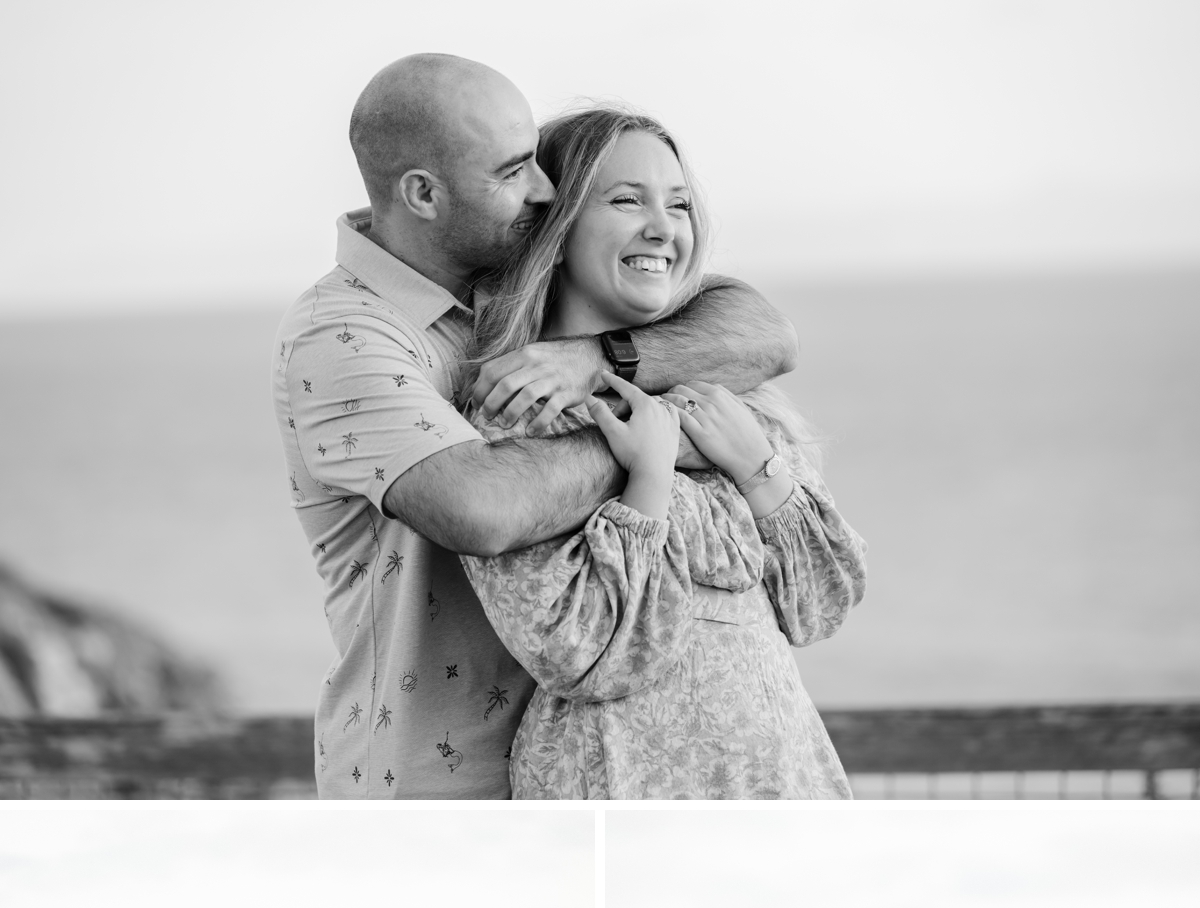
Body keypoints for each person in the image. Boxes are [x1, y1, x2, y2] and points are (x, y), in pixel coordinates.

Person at [273, 52, 800, 799]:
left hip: (574, 771)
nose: (545, 190)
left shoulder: (514, 283)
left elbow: (766, 334)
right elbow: (482, 509)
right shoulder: (345, 335)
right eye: (514, 169)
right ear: (423, 193)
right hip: (436, 789)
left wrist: (600, 357)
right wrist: (655, 436)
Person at [458, 109, 865, 799]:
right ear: (554, 233)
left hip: (780, 791)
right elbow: (583, 654)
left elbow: (821, 605)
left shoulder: (731, 397)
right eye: (627, 200)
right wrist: (646, 478)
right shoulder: (513, 417)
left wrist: (755, 466)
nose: (662, 226)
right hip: (627, 797)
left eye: (677, 204)